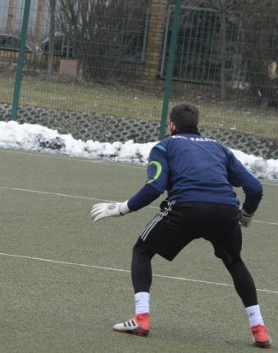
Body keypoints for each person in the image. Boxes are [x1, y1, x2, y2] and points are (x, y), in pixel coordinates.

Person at [90, 103, 271, 348]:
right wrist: (246, 214)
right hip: (225, 211)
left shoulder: (164, 146)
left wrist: (122, 208)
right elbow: (255, 188)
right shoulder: (219, 148)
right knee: (234, 261)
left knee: (142, 251)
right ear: (197, 125)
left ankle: (141, 319)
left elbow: (155, 186)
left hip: (186, 208)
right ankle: (259, 330)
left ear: (172, 125)